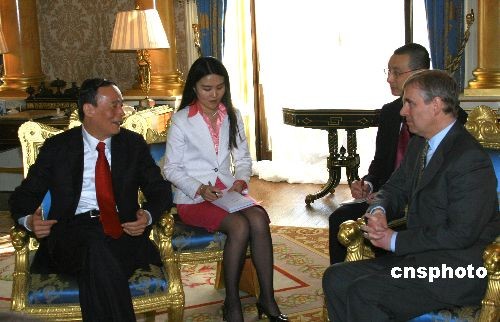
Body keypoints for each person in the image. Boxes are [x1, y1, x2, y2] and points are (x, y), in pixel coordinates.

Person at [323, 69, 500, 321]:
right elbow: (394, 189)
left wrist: (394, 241)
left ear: (436, 105)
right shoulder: (421, 143)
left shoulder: (468, 159)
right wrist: (379, 211)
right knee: (336, 277)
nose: (403, 111)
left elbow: (461, 233)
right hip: (419, 260)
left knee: (365, 293)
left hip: (455, 271)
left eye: (410, 103)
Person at [9, 78, 172, 322]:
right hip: (70, 235)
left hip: (123, 232)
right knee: (95, 248)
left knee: (96, 255)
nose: (121, 113)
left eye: (121, 105)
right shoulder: (58, 148)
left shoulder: (132, 145)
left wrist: (146, 216)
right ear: (89, 109)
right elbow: (24, 195)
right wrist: (28, 222)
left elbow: (160, 190)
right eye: (114, 106)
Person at [164, 56, 287, 322]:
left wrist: (241, 180)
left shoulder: (232, 115)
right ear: (194, 88)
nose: (214, 94)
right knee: (240, 226)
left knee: (259, 217)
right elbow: (170, 169)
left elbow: (242, 159)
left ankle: (267, 297)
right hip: (193, 198)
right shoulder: (182, 120)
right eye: (207, 88)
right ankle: (232, 302)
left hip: (227, 192)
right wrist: (199, 188)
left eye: (220, 87)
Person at [328, 43, 468, 264]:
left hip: (422, 205)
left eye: (396, 72)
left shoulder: (448, 121)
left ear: (420, 73)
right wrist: (369, 185)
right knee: (340, 219)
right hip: (387, 196)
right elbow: (381, 165)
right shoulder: (390, 113)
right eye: (388, 71)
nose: (389, 79)